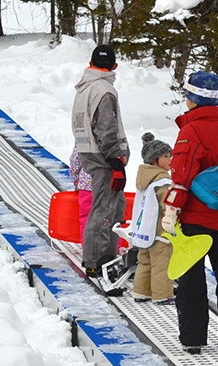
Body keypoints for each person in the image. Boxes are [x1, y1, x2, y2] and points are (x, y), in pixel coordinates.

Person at [160, 71, 218, 355]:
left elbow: (181, 175)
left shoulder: (191, 131)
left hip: (197, 217)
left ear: (192, 99)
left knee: (191, 278)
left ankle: (193, 338)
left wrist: (171, 210)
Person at [71, 44, 130, 281]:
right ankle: (98, 260)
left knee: (113, 206)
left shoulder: (84, 87)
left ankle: (104, 255)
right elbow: (107, 129)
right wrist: (116, 163)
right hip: (105, 157)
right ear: (114, 66)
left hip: (88, 151)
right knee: (104, 209)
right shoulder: (104, 90)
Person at [132, 132, 175, 305]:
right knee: (162, 264)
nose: (170, 159)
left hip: (144, 230)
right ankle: (162, 295)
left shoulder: (145, 178)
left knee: (145, 261)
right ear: (154, 160)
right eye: (166, 156)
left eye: (171, 155)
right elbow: (168, 205)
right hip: (160, 230)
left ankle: (141, 292)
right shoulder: (162, 180)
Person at [67, 146, 94, 241]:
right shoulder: (112, 134)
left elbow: (75, 160)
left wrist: (76, 179)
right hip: (109, 181)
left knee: (86, 217)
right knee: (109, 216)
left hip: (87, 183)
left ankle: (88, 245)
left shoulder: (84, 134)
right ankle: (113, 247)